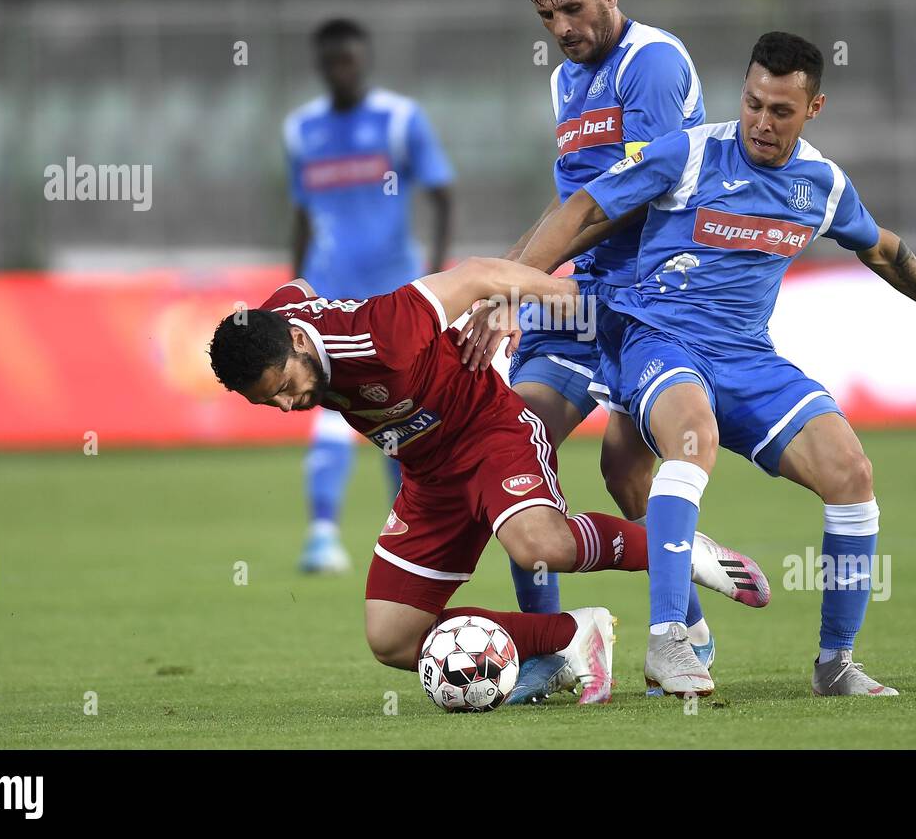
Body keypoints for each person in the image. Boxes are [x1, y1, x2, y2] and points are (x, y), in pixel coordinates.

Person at [513, 31, 916, 697]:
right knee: (692, 439)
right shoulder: (691, 154)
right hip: (653, 335)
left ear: (814, 109)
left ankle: (834, 664)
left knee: (851, 471)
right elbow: (582, 207)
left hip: (747, 354)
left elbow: (886, 250)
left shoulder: (822, 185)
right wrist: (506, 287)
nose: (761, 121)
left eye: (781, 110)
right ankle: (668, 642)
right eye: (753, 103)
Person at [207, 255, 769, 703]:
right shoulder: (275, 331)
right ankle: (573, 634)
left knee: (538, 546)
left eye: (285, 385)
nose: (286, 404)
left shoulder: (382, 332)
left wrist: (571, 303)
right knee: (392, 638)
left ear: (302, 344)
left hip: (487, 433)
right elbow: (297, 289)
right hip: (428, 475)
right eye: (269, 401)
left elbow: (476, 274)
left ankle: (678, 551)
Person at [456, 0, 717, 699]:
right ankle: (553, 648)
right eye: (547, 18)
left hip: (654, 299)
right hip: (579, 300)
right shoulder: (565, 84)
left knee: (627, 471)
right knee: (515, 446)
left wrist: (513, 288)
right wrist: (498, 281)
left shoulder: (653, 65)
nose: (563, 29)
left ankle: (686, 627)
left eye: (573, 8)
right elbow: (567, 204)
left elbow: (620, 200)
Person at [283, 17, 455, 572]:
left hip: (391, 301)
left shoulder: (400, 120)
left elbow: (442, 195)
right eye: (332, 61)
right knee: (328, 412)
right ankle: (322, 535)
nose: (341, 70)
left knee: (399, 417)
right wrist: (293, 288)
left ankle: (402, 532)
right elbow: (302, 214)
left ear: (365, 59)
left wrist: (433, 278)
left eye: (350, 60)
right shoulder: (300, 130)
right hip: (328, 296)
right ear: (320, 65)